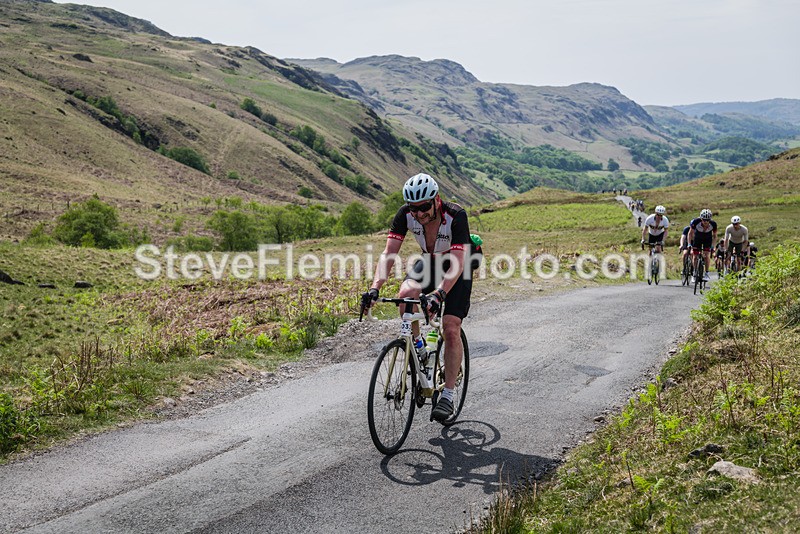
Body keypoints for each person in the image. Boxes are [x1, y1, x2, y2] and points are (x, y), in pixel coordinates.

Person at [361, 173, 472, 422]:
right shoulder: (405, 215)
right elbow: (389, 253)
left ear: (436, 200)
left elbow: (456, 262)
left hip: (457, 268)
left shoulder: (456, 216)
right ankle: (419, 346)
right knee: (406, 294)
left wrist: (439, 294)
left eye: (424, 207)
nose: (419, 214)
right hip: (429, 263)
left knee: (451, 327)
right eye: (414, 208)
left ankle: (448, 396)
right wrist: (375, 287)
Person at [688, 209, 718, 283]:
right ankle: (694, 273)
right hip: (697, 238)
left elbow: (715, 236)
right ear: (701, 219)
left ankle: (707, 273)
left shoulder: (713, 224)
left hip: (707, 239)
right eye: (704, 220)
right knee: (695, 256)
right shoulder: (696, 222)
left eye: (708, 220)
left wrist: (713, 246)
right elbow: (690, 234)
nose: (706, 222)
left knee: (707, 255)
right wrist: (689, 244)